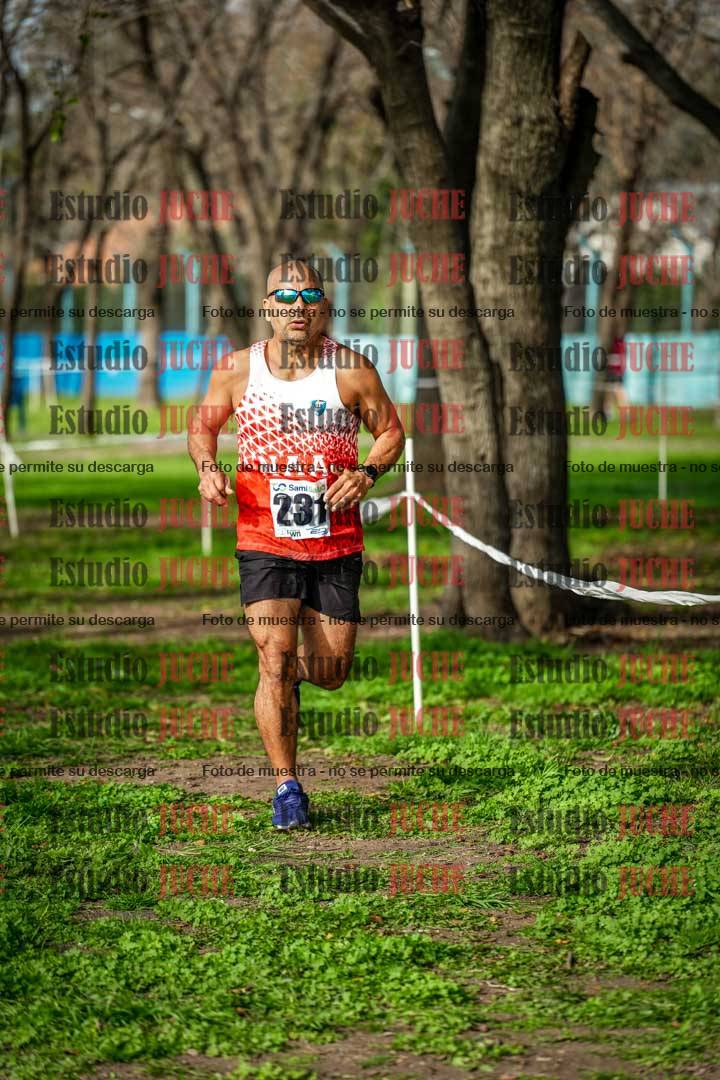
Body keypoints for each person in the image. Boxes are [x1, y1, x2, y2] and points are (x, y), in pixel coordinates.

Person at [188, 260, 405, 829]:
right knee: (275, 657)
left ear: (324, 307)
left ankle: (283, 678)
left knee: (331, 670)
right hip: (264, 535)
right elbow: (202, 426)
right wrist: (208, 468)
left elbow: (390, 431)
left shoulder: (351, 370)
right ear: (268, 307)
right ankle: (287, 787)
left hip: (335, 540)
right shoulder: (237, 370)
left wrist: (366, 473)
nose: (298, 308)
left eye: (309, 298)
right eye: (286, 299)